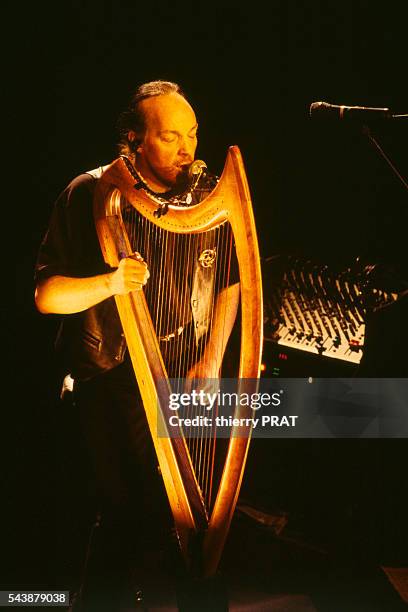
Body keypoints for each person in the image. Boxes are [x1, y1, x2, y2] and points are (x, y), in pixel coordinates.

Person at [35, 80, 239, 611]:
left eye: (192, 134)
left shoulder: (206, 199)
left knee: (189, 519)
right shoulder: (89, 192)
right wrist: (111, 282)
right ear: (135, 140)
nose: (188, 150)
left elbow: (233, 283)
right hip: (109, 372)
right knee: (134, 515)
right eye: (171, 137)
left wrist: (212, 357)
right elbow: (45, 296)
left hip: (182, 369)